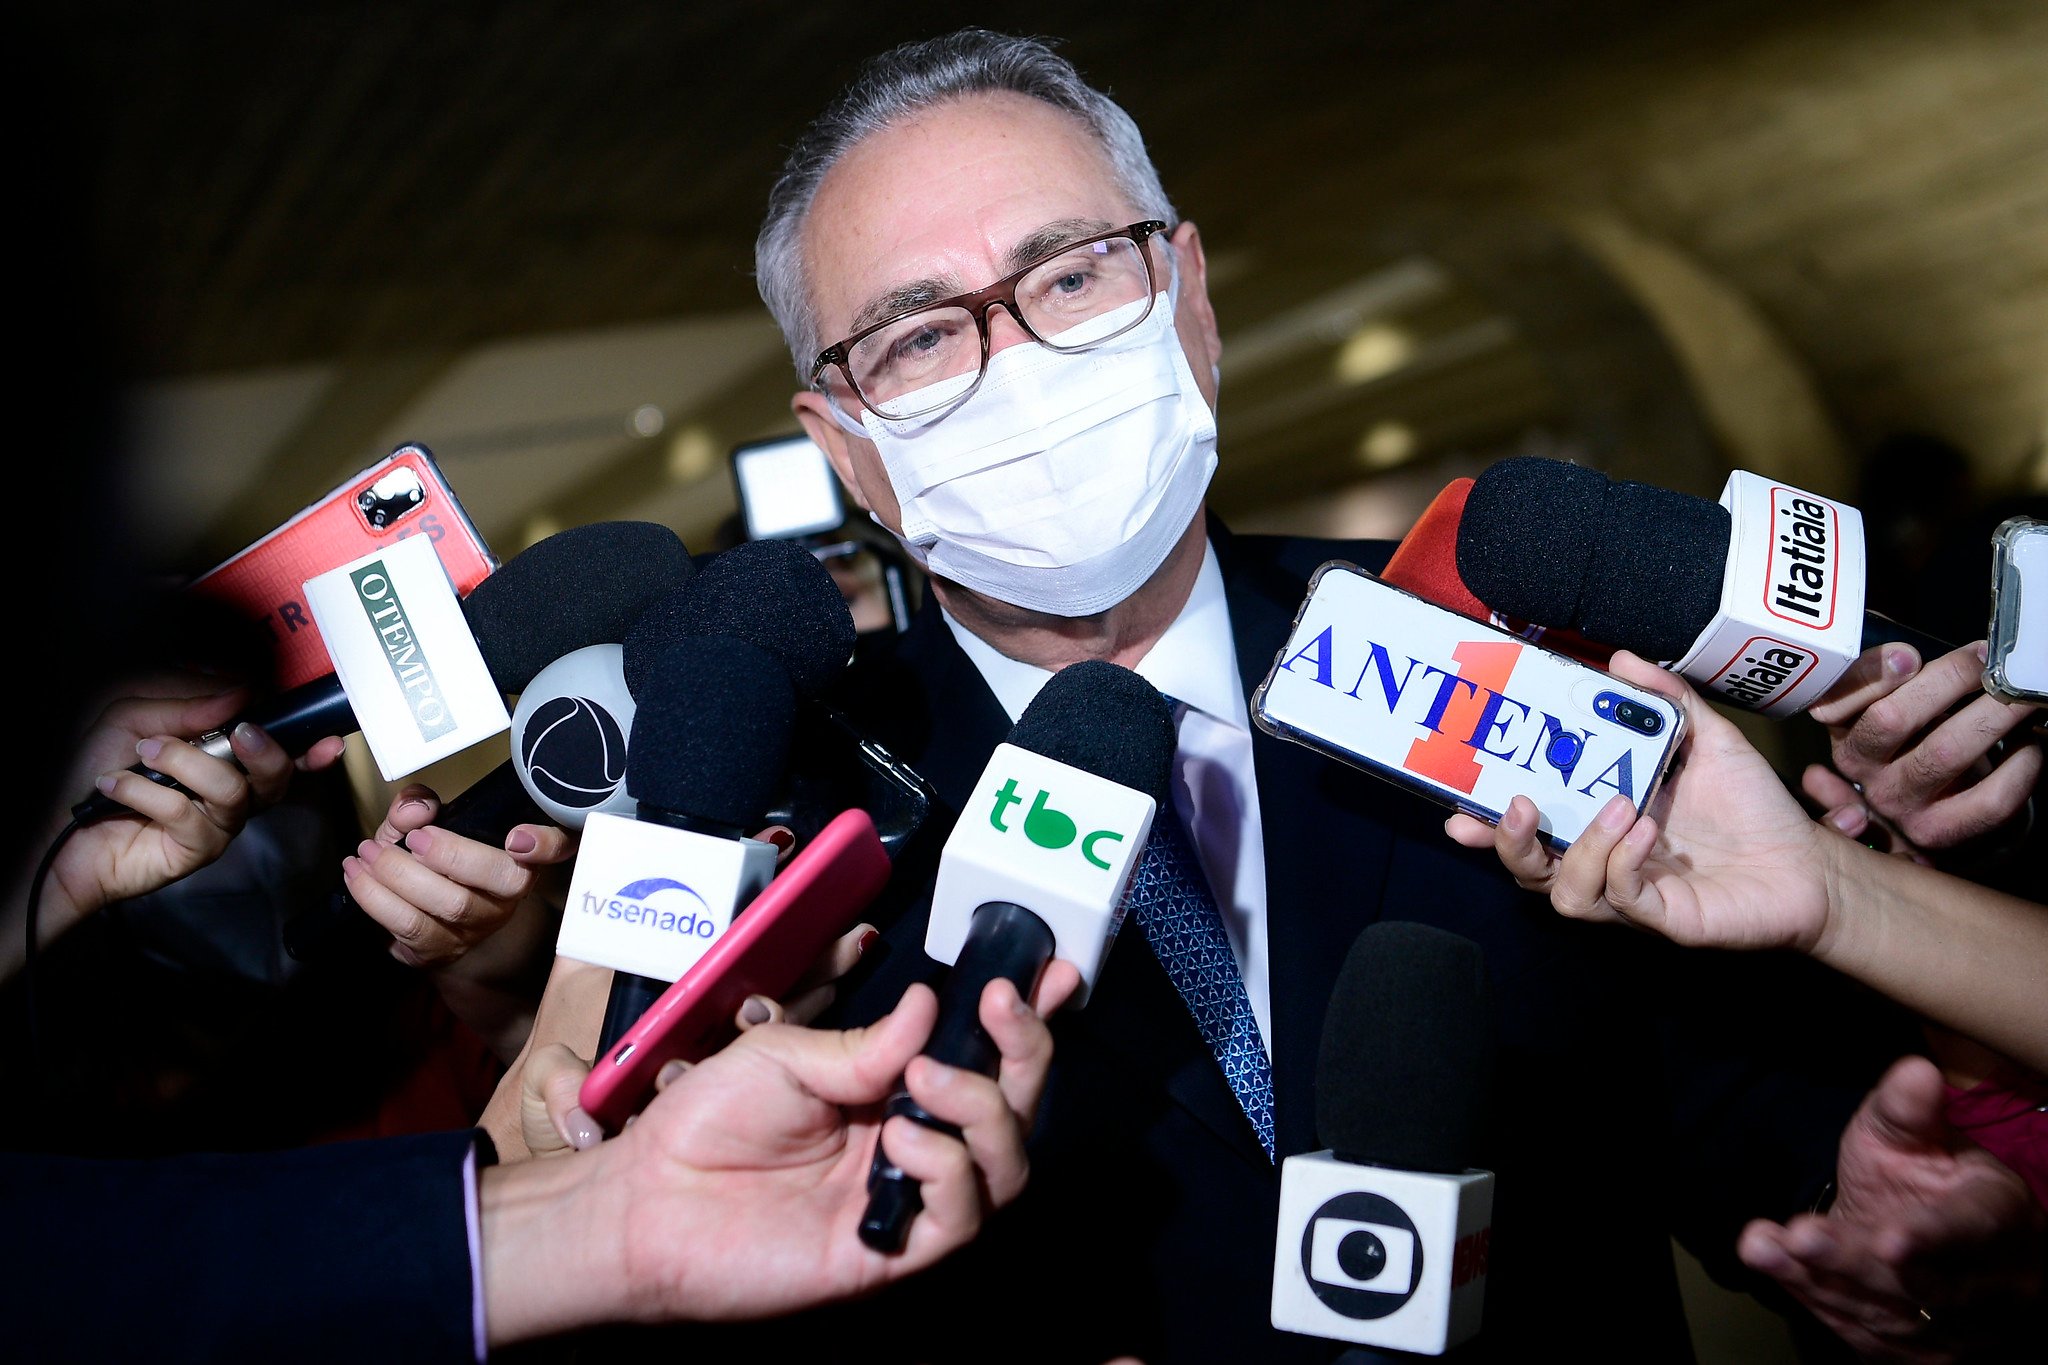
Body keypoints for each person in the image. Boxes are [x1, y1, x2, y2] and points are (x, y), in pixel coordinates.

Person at [713, 28, 2040, 1363]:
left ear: (1190, 298)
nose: (1017, 364)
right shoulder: (785, 837)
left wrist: (1842, 1205)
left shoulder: (1489, 644)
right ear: (844, 444)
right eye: (920, 335)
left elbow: (1722, 1092)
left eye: (1071, 274)